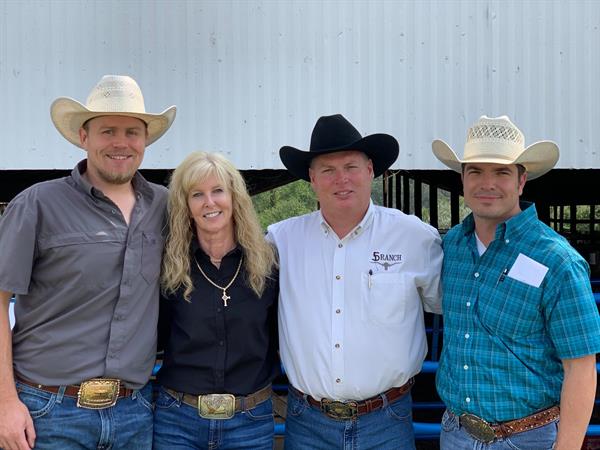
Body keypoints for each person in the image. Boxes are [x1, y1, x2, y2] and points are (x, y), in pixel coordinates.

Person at [0, 75, 176, 449]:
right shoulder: (36, 205)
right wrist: (5, 404)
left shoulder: (166, 206)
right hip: (48, 411)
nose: (120, 143)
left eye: (132, 132)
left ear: (145, 141)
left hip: (134, 412)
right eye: (107, 130)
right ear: (84, 137)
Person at [267, 114, 443, 449]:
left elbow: (456, 305)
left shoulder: (414, 238)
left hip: (386, 420)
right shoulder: (281, 241)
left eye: (350, 166)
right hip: (308, 423)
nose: (341, 179)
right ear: (312, 178)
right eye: (328, 170)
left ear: (370, 171)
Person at [433, 115, 600, 449]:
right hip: (456, 433)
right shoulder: (452, 246)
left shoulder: (557, 261)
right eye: (476, 171)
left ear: (522, 181)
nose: (487, 183)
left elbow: (581, 368)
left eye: (502, 172)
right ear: (462, 181)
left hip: (528, 438)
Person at [154, 151, 279, 449]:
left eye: (218, 191)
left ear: (235, 197)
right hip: (178, 421)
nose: (209, 202)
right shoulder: (169, 267)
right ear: (186, 206)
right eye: (197, 194)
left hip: (250, 421)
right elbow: (157, 336)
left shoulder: (268, 264)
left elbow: (277, 336)